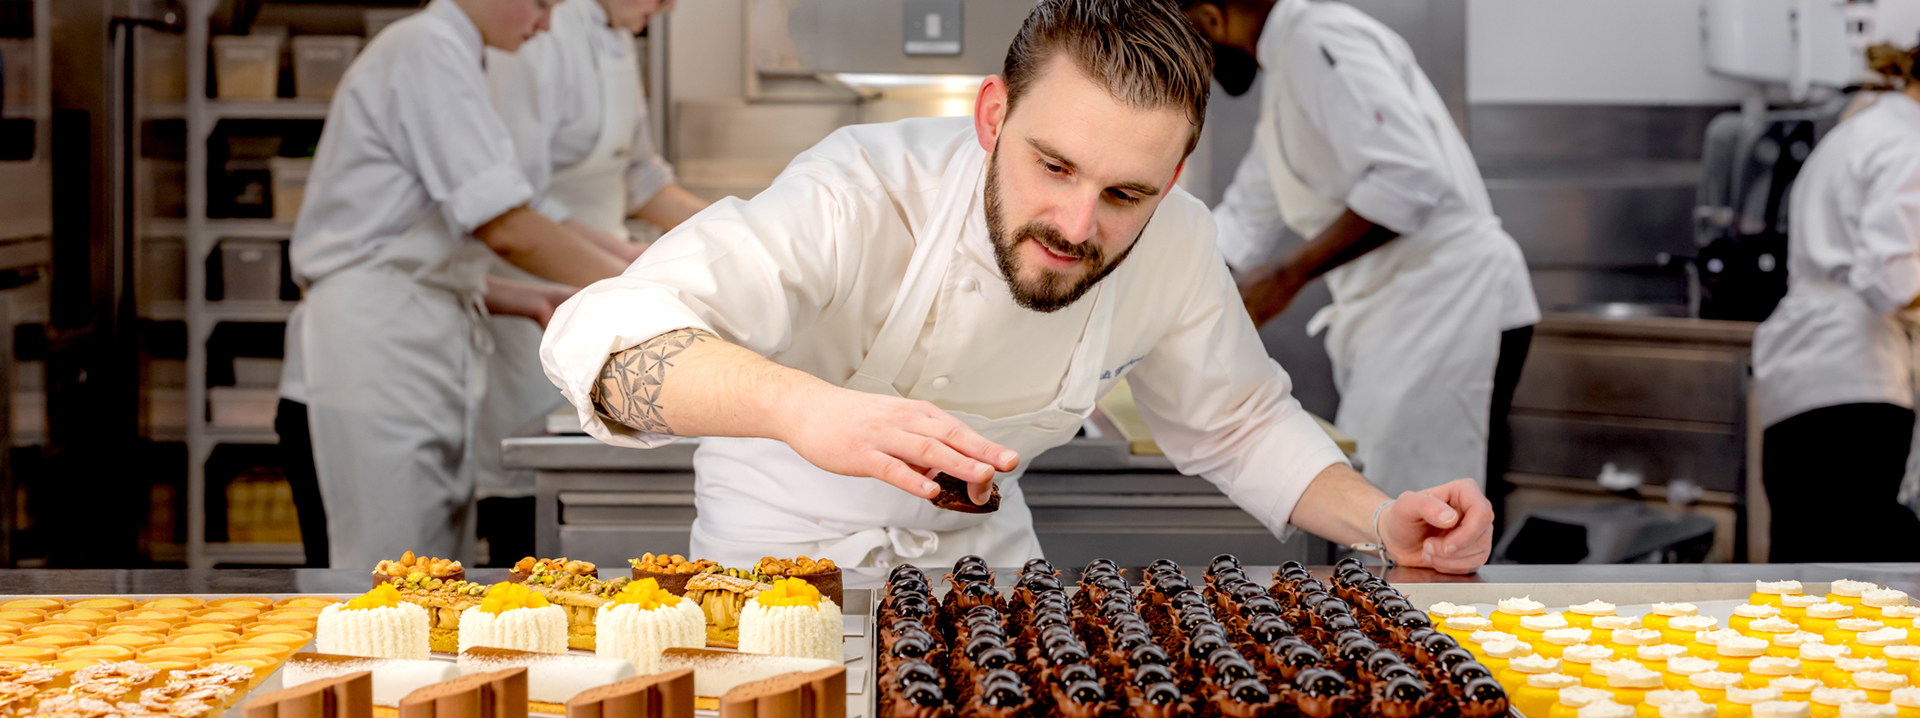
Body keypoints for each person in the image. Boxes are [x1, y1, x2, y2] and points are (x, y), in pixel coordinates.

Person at [541, 0, 1495, 573]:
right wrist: (807, 411)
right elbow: (606, 336)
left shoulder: (1177, 242)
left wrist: (1380, 520)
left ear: (1172, 179)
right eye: (1054, 167)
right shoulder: (862, 192)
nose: (1079, 227)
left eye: (1125, 193)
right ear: (992, 117)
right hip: (777, 582)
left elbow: (1238, 422)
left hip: (986, 584)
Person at [275, 0, 630, 570]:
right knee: (385, 587)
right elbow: (507, 225)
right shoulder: (426, 48)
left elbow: (413, 245)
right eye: (540, 5)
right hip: (371, 356)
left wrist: (529, 297)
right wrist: (638, 291)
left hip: (413, 347)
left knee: (433, 578)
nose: (546, 24)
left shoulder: (460, 55)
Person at [1178, 0, 1540, 506]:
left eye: (1187, 34)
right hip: (1408, 315)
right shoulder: (1289, 69)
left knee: (1404, 514)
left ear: (1213, 18)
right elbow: (1247, 212)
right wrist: (1161, 291)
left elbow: (1410, 178)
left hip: (1446, 303)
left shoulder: (1316, 39)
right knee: (1385, 514)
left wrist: (1287, 275)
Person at [471, 0, 709, 561]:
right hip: (546, 287)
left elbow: (642, 180)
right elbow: (522, 208)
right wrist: (636, 276)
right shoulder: (540, 32)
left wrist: (748, 233)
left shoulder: (618, 36)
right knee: (529, 487)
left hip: (609, 288)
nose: (670, 7)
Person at [1751, 43, 1920, 562]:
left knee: (1805, 569)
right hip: (1856, 378)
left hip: (1805, 372)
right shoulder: (1905, 142)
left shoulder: (1860, 131)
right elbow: (1891, 280)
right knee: (1854, 577)